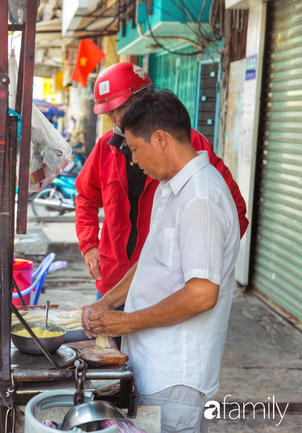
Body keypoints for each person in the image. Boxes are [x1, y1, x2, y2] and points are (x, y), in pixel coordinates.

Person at [82, 90, 240, 432]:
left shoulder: (201, 198)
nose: (134, 161)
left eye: (136, 150)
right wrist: (109, 300)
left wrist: (128, 322)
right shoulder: (172, 187)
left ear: (160, 139)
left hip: (176, 376)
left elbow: (202, 294)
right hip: (153, 365)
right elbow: (151, 258)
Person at [75, 63, 248, 302]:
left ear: (145, 100)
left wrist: (198, 265)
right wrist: (89, 244)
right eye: (109, 113)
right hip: (114, 278)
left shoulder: (189, 144)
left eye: (122, 108)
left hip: (166, 287)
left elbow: (233, 212)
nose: (117, 119)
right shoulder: (106, 147)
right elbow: (85, 196)